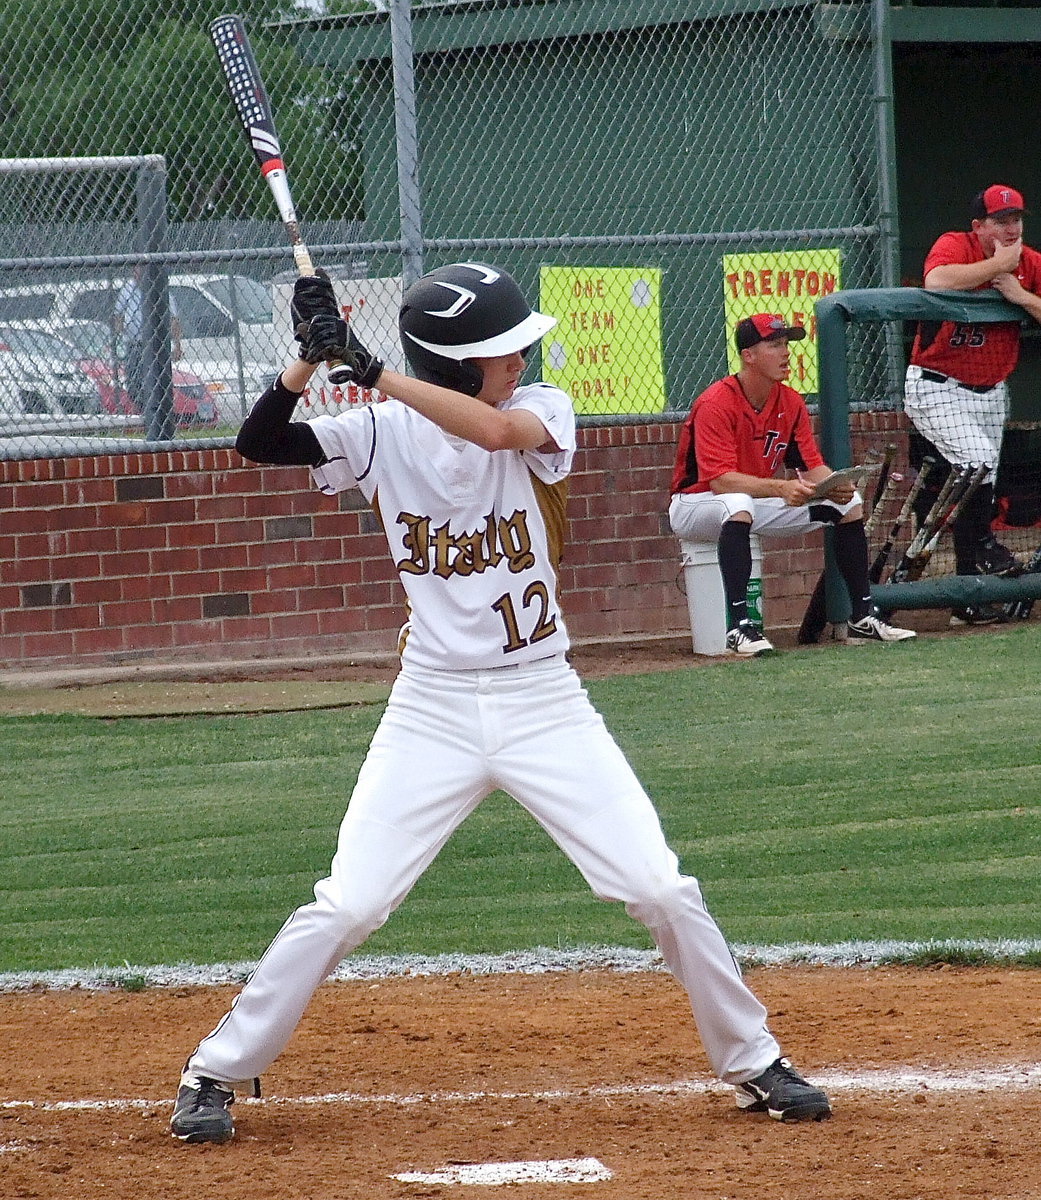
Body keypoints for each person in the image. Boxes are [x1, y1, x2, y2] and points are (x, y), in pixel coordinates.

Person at [170, 263, 832, 1144]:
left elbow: (491, 432)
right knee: (351, 903)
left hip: (543, 701)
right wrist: (303, 363)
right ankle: (215, 1068)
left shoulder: (542, 410)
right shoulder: (380, 433)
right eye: (500, 351)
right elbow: (261, 443)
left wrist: (369, 371)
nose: (521, 357)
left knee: (659, 888)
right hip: (430, 710)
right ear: (451, 364)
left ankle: (752, 1062)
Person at [669, 313, 916, 656]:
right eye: (773, 345)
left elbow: (810, 465)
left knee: (848, 504)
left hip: (753, 503)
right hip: (695, 504)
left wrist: (834, 484)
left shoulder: (790, 401)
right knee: (736, 502)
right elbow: (721, 481)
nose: (785, 353)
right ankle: (739, 627)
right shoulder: (715, 402)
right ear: (748, 355)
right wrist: (782, 488)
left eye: (786, 344)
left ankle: (862, 616)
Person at [905, 184, 1041, 625]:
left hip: (991, 389)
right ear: (978, 225)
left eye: (1016, 219)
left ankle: (967, 597)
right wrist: (998, 265)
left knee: (979, 481)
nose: (1011, 228)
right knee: (979, 463)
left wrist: (1021, 296)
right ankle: (983, 547)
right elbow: (936, 281)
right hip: (937, 383)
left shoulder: (1031, 262)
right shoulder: (955, 244)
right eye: (1001, 220)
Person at [113, 264, 183, 440]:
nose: (137, 273)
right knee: (134, 384)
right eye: (135, 269)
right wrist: (122, 332)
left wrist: (177, 345)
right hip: (136, 344)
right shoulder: (128, 290)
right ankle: (147, 417)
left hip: (158, 343)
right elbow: (118, 317)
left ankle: (162, 423)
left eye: (141, 269)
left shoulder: (159, 286)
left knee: (160, 383)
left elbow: (173, 319)